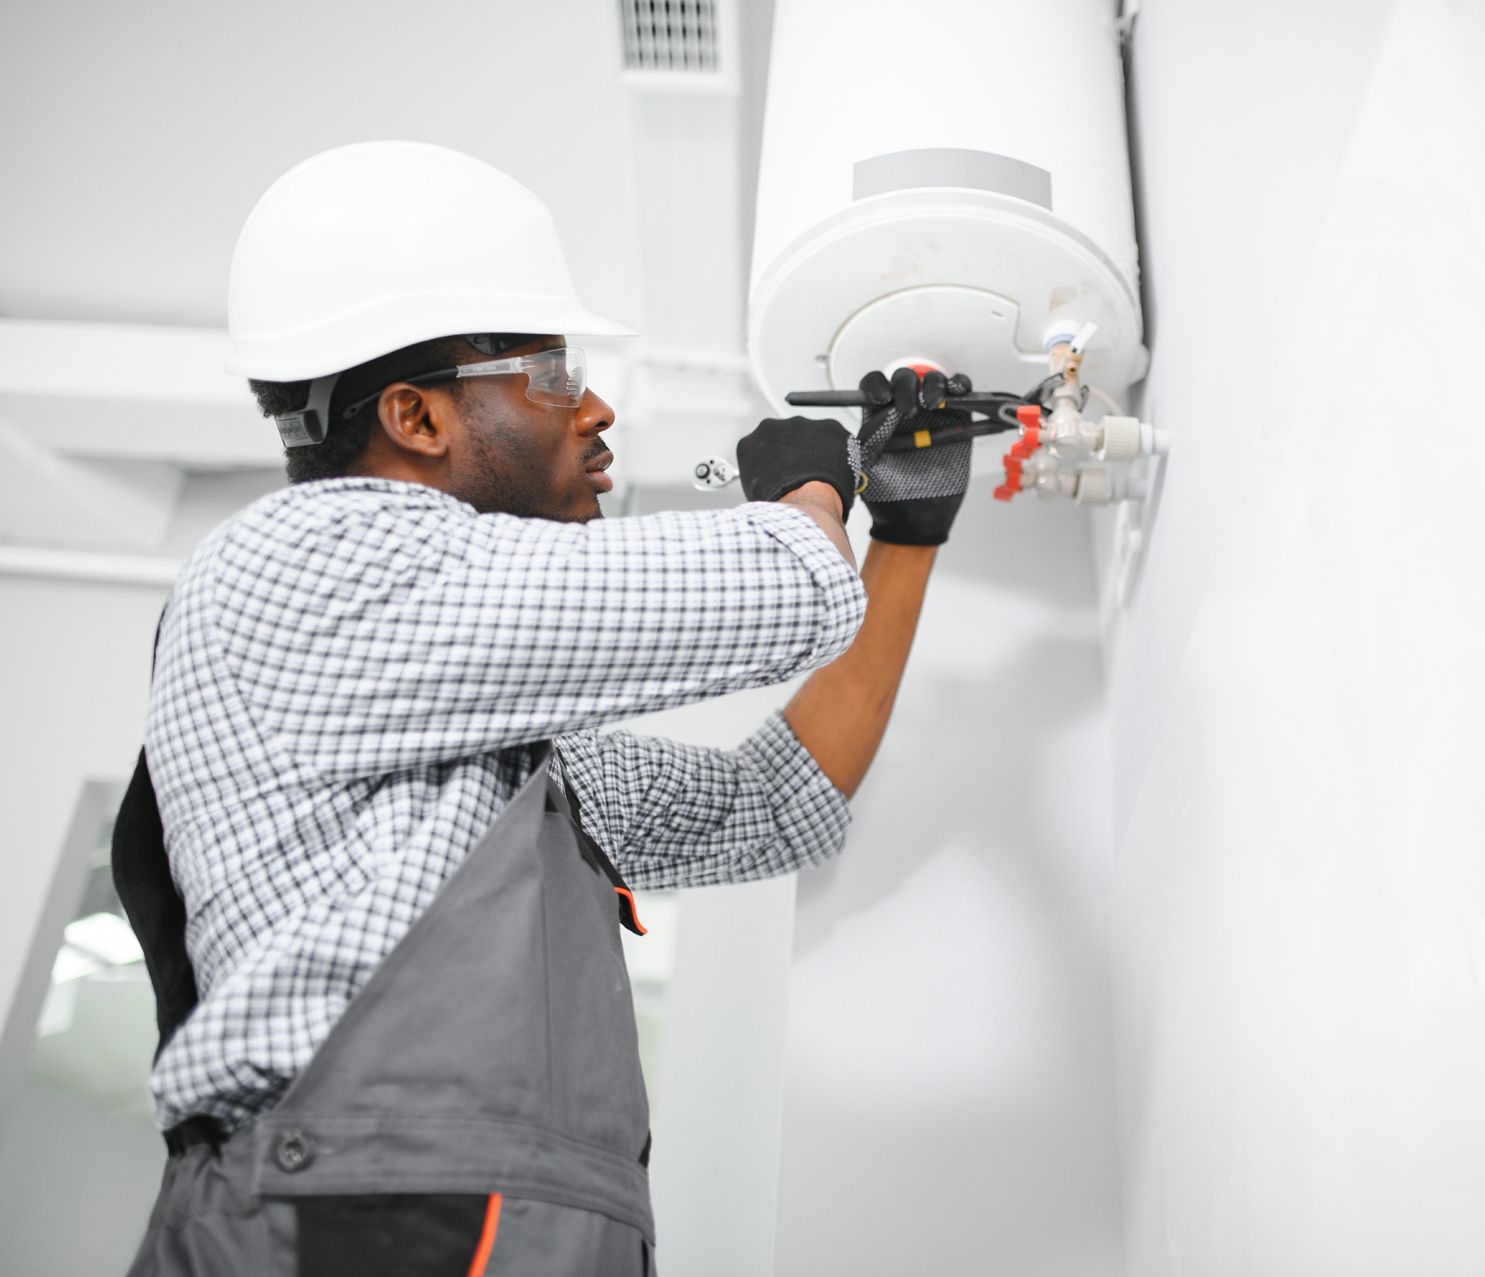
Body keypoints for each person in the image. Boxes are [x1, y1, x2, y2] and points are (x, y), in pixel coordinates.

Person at [114, 140, 974, 1275]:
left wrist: (903, 537)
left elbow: (779, 800)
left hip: (492, 1209)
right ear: (418, 417)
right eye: (556, 371)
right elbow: (783, 584)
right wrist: (810, 486)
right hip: (370, 1211)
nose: (598, 405)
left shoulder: (486, 755)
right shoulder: (300, 557)